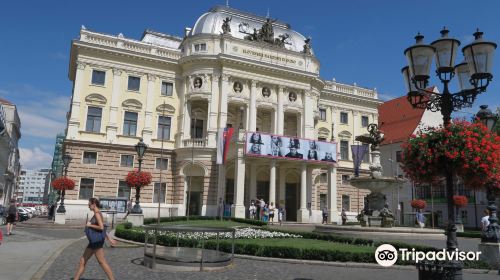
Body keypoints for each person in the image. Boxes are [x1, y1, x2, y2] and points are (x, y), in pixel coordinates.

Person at [74, 198, 115, 280]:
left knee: (102, 262)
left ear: (94, 204)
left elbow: (101, 227)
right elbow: (103, 229)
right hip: (93, 242)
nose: (88, 206)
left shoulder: (97, 213)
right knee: (83, 260)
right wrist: (109, 238)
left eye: (89, 205)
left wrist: (89, 225)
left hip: (96, 242)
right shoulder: (97, 213)